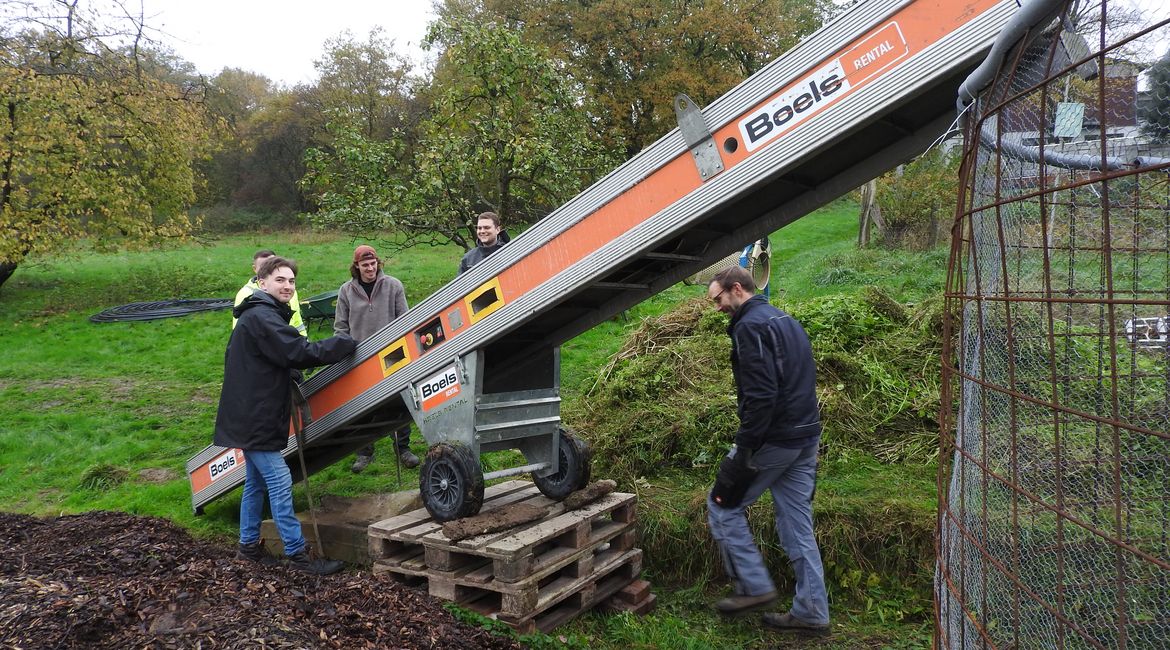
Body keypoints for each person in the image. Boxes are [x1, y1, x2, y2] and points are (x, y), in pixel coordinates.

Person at [705, 266, 830, 633]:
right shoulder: (784, 319)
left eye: (718, 299)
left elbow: (761, 395)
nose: (717, 308)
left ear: (737, 289)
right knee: (798, 526)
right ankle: (812, 611)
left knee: (722, 505)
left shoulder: (750, 327)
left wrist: (744, 450)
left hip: (773, 440)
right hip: (805, 437)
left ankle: (753, 587)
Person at [214, 256, 356, 575]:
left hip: (249, 413)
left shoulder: (258, 315)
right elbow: (299, 352)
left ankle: (248, 549)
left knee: (255, 484)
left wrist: (286, 369)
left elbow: (276, 357)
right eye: (280, 280)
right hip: (256, 417)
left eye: (291, 281)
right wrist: (343, 344)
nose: (287, 286)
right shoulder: (263, 317)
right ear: (262, 282)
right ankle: (299, 558)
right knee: (278, 480)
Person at [335, 244, 419, 471]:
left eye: (373, 264)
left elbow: (405, 320)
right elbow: (341, 327)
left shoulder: (393, 285)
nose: (370, 268)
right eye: (365, 265)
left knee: (400, 401)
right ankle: (364, 453)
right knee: (362, 407)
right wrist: (341, 352)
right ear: (357, 266)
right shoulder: (346, 291)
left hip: (392, 354)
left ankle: (403, 449)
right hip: (359, 357)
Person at [234, 249, 306, 337]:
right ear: (255, 268)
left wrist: (303, 339)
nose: (287, 286)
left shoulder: (288, 290)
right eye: (264, 266)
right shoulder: (247, 294)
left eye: (291, 281)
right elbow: (241, 328)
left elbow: (297, 319)